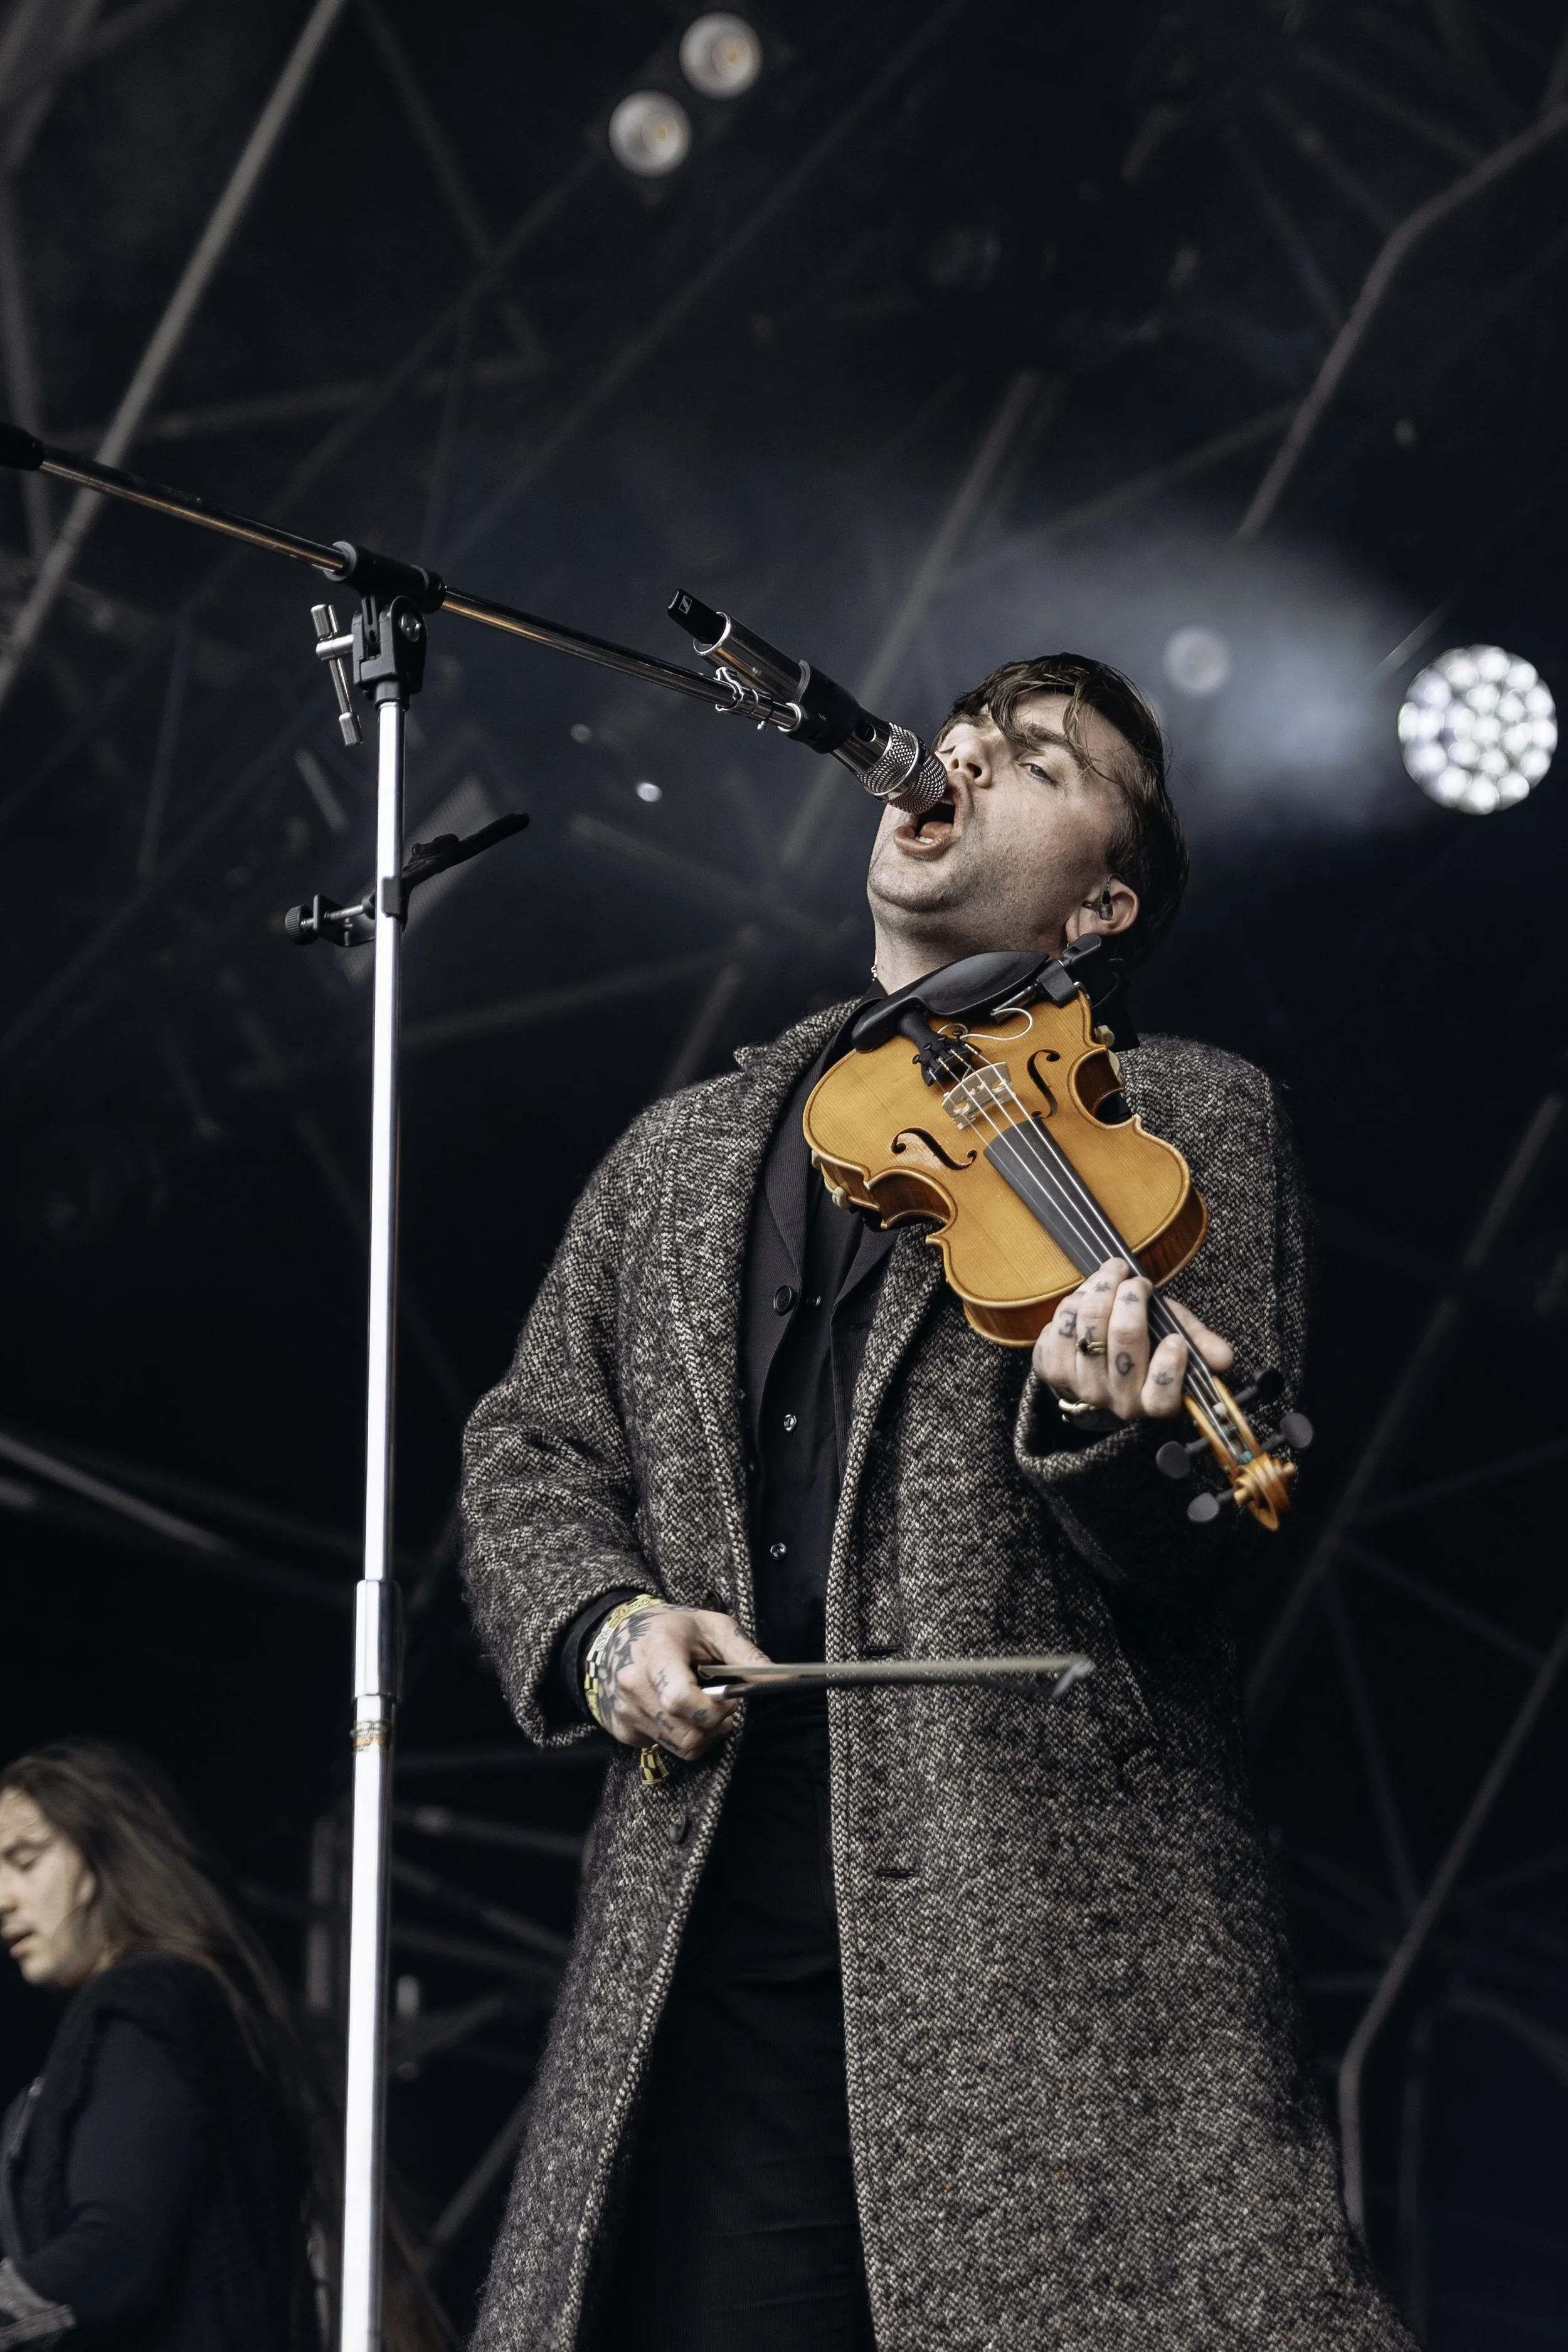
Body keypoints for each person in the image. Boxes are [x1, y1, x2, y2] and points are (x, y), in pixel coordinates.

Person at [460, 654, 1416, 2352]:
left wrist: (1115, 1424)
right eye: (967, 727)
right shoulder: (678, 1152)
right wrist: (604, 1628)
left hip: (1036, 1943)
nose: (968, 750)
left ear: (1100, 901)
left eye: (1038, 758)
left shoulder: (1177, 1119)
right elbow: (529, 1450)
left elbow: (1193, 1532)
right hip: (716, 1927)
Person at [0, 1740, 441, 2352]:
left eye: (25, 1861)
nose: (3, 1899)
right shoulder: (187, 2005)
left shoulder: (146, 2002)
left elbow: (115, 2256)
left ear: (105, 1851)